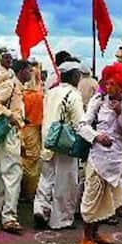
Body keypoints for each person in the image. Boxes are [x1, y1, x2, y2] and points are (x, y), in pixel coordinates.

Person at [77, 63, 122, 244]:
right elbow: (82, 125)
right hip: (98, 158)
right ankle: (86, 238)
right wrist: (96, 136)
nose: (108, 87)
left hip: (116, 160)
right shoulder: (98, 101)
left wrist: (121, 113)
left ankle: (95, 233)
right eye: (107, 83)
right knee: (93, 198)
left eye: (113, 84)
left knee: (109, 200)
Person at [33, 60, 84, 230]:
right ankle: (61, 219)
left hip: (48, 138)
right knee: (66, 181)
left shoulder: (51, 92)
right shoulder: (74, 95)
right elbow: (79, 123)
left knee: (46, 177)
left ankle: (40, 209)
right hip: (65, 141)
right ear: (74, 76)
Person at [0, 59, 32, 234]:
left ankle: (0, 212)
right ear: (21, 71)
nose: (31, 74)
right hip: (9, 133)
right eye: (29, 70)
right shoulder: (10, 86)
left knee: (4, 174)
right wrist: (8, 114)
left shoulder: (16, 87)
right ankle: (9, 217)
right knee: (12, 174)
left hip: (13, 134)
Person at [20, 60, 44, 201]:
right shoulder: (39, 96)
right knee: (32, 163)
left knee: (24, 162)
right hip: (33, 130)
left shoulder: (22, 94)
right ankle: (29, 193)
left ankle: (24, 192)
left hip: (23, 129)